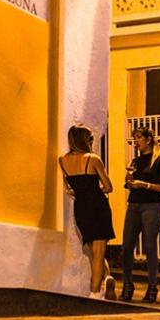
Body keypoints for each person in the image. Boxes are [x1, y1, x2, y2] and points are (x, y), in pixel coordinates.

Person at [58, 125, 116, 300]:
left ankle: (107, 277)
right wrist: (94, 189)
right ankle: (95, 292)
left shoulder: (62, 161)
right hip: (97, 205)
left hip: (81, 207)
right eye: (91, 139)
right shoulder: (93, 159)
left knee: (92, 251)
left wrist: (79, 191)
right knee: (99, 252)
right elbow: (108, 187)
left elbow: (69, 188)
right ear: (86, 140)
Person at [121, 126, 160, 303]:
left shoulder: (158, 161)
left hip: (152, 206)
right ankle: (128, 284)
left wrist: (145, 185)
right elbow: (130, 184)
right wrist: (129, 181)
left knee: (150, 246)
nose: (135, 141)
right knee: (126, 246)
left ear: (148, 140)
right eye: (134, 138)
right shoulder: (136, 161)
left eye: (138, 138)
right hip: (134, 205)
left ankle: (152, 286)